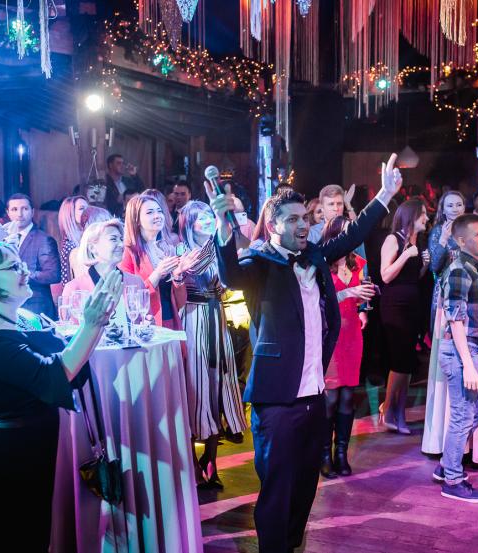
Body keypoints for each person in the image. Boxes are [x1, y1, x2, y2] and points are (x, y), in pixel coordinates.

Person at [209, 154, 403, 552]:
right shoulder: (259, 263)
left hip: (314, 395)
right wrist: (222, 229)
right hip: (278, 400)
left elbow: (352, 234)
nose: (302, 225)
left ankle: (291, 545)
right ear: (273, 225)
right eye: (292, 219)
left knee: (304, 487)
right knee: (277, 491)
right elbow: (231, 274)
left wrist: (385, 194)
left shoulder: (314, 255)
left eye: (304, 218)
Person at [0, 241, 121, 552]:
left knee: (30, 533)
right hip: (1, 458)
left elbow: (65, 364)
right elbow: (52, 375)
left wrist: (94, 324)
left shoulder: (16, 321)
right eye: (13, 266)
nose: (25, 270)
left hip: (24, 448)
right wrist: (92, 323)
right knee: (7, 536)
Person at [175, 200, 247, 489]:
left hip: (217, 317)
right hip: (193, 317)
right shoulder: (181, 251)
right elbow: (193, 270)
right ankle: (193, 460)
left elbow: (230, 280)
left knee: (219, 383)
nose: (208, 220)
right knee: (196, 385)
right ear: (189, 224)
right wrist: (220, 233)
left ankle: (212, 459)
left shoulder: (220, 247)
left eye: (210, 215)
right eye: (202, 217)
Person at [432, 214, 478, 503]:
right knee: (462, 415)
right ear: (460, 241)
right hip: (462, 351)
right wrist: (468, 363)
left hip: (474, 349)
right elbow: (455, 320)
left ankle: (447, 463)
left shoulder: (473, 268)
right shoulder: (459, 270)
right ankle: (453, 481)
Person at [319, 216, 375, 479]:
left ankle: (341, 452)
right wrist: (349, 294)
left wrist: (364, 306)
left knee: (348, 396)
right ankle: (324, 454)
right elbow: (320, 301)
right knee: (330, 396)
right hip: (331, 335)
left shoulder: (358, 263)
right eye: (345, 234)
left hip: (352, 334)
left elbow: (361, 295)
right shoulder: (321, 264)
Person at [379, 199, 430, 435]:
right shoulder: (393, 240)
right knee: (399, 361)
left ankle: (400, 412)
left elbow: (412, 277)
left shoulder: (417, 241)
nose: (427, 218)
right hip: (395, 306)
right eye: (423, 214)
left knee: (408, 362)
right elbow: (386, 275)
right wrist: (406, 255)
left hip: (412, 304)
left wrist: (424, 266)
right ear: (411, 216)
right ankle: (388, 408)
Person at [120, 193, 187, 330]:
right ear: (136, 219)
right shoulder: (127, 252)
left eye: (159, 211)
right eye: (150, 212)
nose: (157, 216)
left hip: (170, 320)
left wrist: (178, 276)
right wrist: (157, 273)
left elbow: (180, 302)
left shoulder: (167, 248)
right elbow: (128, 299)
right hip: (146, 325)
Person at [62, 219, 146, 305]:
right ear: (92, 248)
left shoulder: (136, 283)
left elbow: (145, 313)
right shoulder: (74, 289)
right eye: (113, 239)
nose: (121, 244)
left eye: (121, 239)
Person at [4, 193, 61, 319]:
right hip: (8, 307)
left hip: (35, 307)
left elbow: (53, 275)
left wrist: (21, 275)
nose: (19, 214)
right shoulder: (3, 240)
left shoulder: (43, 239)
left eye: (24, 209)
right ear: (8, 213)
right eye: (14, 209)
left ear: (32, 212)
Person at [427, 191, 464, 332]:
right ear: (443, 210)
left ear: (464, 207)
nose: (455, 209)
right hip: (446, 289)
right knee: (446, 334)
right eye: (450, 205)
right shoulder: (438, 231)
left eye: (458, 205)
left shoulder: (471, 229)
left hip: (468, 287)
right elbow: (434, 266)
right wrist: (443, 238)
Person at [57, 196, 88, 284]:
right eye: (81, 208)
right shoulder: (70, 245)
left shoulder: (82, 240)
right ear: (70, 214)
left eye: (88, 208)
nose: (87, 211)